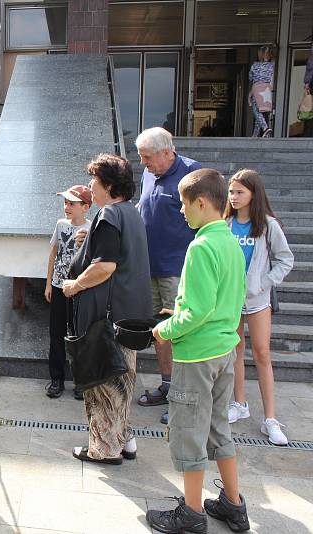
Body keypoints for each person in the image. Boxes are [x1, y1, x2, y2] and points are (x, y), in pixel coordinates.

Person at [146, 168, 250, 534]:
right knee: (218, 428)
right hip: (224, 351)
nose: (181, 212)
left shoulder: (201, 245)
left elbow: (198, 310)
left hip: (197, 357)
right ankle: (233, 505)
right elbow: (222, 301)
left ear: (201, 202)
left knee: (189, 431)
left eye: (184, 205)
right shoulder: (230, 242)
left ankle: (191, 514)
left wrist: (165, 329)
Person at [63, 154, 151, 464]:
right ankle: (124, 441)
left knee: (103, 385)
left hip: (106, 318)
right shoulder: (130, 213)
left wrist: (74, 286)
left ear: (110, 186)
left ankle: (104, 450)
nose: (90, 186)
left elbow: (106, 267)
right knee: (123, 380)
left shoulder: (109, 215)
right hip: (130, 315)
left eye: (94, 182)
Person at [135, 127, 201, 425]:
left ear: (166, 151)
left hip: (177, 269)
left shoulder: (192, 174)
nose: (143, 163)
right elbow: (143, 207)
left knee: (181, 333)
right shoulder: (149, 173)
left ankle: (183, 397)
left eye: (147, 157)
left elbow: (207, 220)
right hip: (149, 266)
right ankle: (168, 385)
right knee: (159, 331)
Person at [225, 169, 294, 446]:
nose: (234, 197)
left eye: (240, 192)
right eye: (231, 192)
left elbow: (285, 260)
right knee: (235, 351)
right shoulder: (225, 223)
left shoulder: (267, 225)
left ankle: (270, 419)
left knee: (262, 354)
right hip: (230, 300)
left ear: (254, 193)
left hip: (257, 301)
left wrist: (264, 283)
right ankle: (239, 404)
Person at [44, 185, 92, 400]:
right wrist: (48, 284)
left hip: (80, 289)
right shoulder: (60, 225)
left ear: (85, 207)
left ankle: (81, 381)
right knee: (56, 333)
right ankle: (56, 379)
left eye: (72, 203)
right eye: (65, 203)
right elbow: (53, 253)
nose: (67, 207)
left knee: (79, 335)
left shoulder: (92, 228)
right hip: (58, 286)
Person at [248, 44, 275, 137]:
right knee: (262, 112)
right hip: (267, 90)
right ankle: (255, 135)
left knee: (256, 110)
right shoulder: (272, 65)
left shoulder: (255, 65)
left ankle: (265, 128)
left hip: (257, 89)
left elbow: (250, 78)